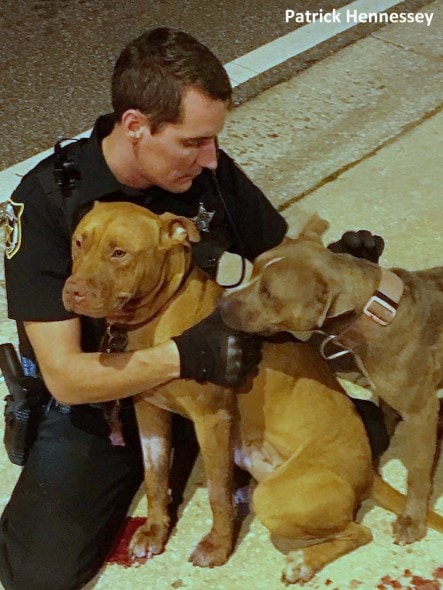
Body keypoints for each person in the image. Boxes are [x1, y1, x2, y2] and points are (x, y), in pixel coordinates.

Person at [0, 27, 386, 590]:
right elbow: (65, 376)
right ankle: (176, 453)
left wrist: (331, 275)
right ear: (136, 127)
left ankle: (201, 445)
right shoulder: (47, 203)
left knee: (358, 435)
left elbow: (271, 255)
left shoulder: (207, 170)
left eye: (213, 141)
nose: (210, 157)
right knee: (36, 571)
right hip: (101, 392)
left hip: (211, 379)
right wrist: (184, 357)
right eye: (192, 141)